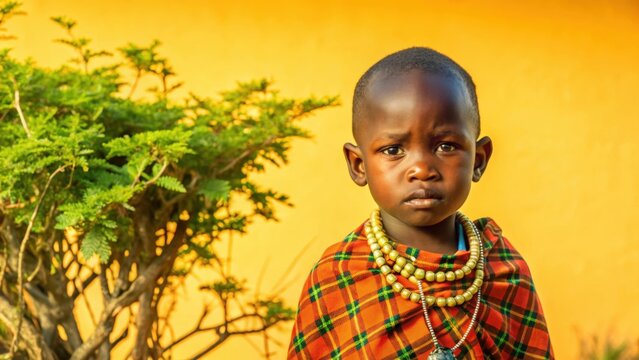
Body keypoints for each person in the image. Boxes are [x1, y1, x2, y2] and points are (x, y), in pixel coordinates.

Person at [287, 47, 553, 359]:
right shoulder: (338, 277)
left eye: (445, 145)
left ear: (478, 160)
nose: (422, 169)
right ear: (359, 165)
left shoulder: (504, 271)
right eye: (393, 150)